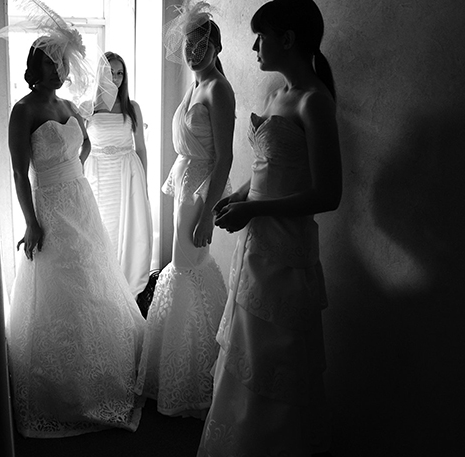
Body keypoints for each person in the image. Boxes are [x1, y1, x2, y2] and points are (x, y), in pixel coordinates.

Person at [197, 0, 342, 455]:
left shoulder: (315, 101)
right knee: (246, 354)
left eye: (262, 36)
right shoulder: (276, 94)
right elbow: (268, 166)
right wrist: (240, 195)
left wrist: (255, 211)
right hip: (257, 248)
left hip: (285, 250)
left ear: (288, 38)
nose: (255, 45)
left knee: (275, 358)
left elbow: (328, 195)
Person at [0, 3, 146, 438]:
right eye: (51, 62)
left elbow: (82, 150)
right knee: (63, 290)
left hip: (81, 201)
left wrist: (74, 167)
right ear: (36, 65)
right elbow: (20, 176)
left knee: (94, 282)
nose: (59, 69)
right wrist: (31, 221)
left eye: (62, 63)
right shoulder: (23, 110)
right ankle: (65, 388)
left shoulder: (66, 105)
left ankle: (102, 374)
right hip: (51, 208)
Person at [135, 1, 234, 419]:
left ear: (215, 46)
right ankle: (179, 371)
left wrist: (209, 213)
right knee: (184, 273)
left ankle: (198, 379)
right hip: (185, 189)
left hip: (200, 195)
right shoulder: (194, 85)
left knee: (190, 270)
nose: (193, 50)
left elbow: (225, 158)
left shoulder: (218, 89)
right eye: (189, 43)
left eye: (202, 43)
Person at [84, 52, 153, 299]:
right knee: (104, 231)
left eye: (119, 73)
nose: (115, 77)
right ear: (100, 74)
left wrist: (144, 185)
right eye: (110, 72)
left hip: (127, 175)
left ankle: (127, 292)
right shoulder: (88, 109)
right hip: (99, 174)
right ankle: (102, 292)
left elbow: (141, 148)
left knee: (130, 231)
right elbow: (80, 149)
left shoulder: (132, 107)